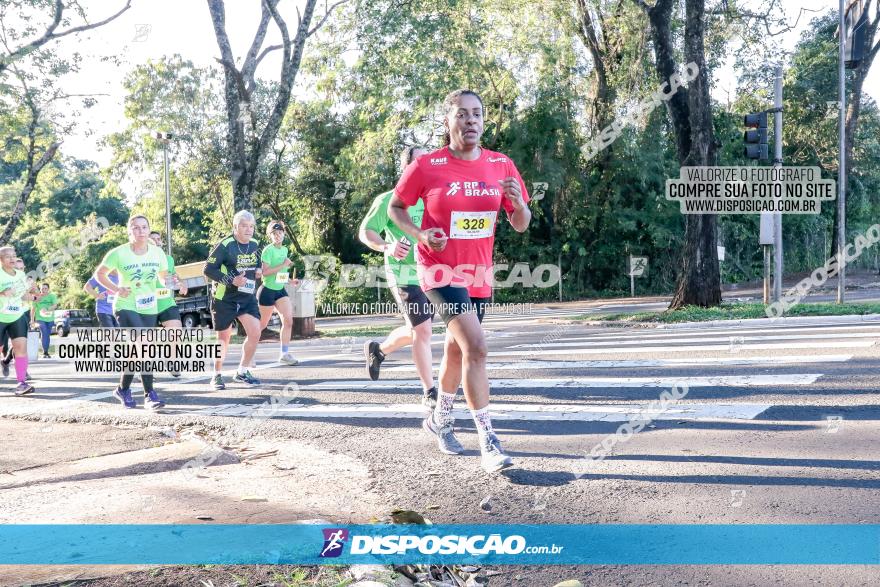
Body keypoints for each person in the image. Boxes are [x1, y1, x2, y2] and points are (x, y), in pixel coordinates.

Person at [388, 89, 531, 473]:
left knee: (457, 350)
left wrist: (518, 204)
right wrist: (420, 235)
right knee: (478, 348)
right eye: (463, 114)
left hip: (479, 272)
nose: (471, 121)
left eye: (477, 114)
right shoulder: (428, 165)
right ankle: (489, 438)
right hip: (438, 269)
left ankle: (440, 418)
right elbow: (396, 206)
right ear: (448, 121)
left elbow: (520, 225)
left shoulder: (501, 165)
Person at [359, 145, 437, 410]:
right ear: (406, 168)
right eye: (420, 161)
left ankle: (378, 350)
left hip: (433, 275)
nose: (426, 165)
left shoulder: (435, 199)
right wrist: (387, 247)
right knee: (423, 330)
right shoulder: (389, 199)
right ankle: (430, 391)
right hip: (404, 275)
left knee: (416, 330)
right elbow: (366, 231)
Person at [95, 215, 170, 411]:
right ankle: (150, 395)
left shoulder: (157, 253)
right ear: (129, 231)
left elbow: (162, 278)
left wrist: (172, 282)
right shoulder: (118, 253)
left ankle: (122, 388)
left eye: (144, 227)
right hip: (125, 304)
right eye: (136, 228)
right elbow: (100, 274)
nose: (141, 231)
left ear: (149, 229)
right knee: (144, 346)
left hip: (149, 305)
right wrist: (116, 288)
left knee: (138, 351)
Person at [204, 210, 263, 390]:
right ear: (235, 227)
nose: (248, 229)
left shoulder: (255, 244)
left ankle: (242, 371)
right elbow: (208, 270)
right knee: (224, 338)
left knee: (255, 332)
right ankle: (217, 374)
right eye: (244, 226)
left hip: (246, 297)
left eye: (251, 226)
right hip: (225, 298)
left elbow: (257, 262)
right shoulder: (225, 245)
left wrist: (259, 270)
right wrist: (232, 280)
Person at [257, 220, 299, 366]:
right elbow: (266, 273)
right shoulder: (268, 250)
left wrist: (289, 281)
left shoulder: (285, 250)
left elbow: (280, 274)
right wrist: (283, 264)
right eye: (274, 234)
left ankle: (284, 354)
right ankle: (249, 355)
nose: (277, 236)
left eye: (280, 233)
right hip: (267, 291)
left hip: (280, 290)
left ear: (284, 234)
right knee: (260, 326)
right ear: (270, 236)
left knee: (288, 321)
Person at [0, 247, 40, 395]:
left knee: (21, 350)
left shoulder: (21, 274)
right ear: (1, 260)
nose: (11, 259)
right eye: (7, 256)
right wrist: (2, 293)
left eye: (14, 256)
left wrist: (34, 296)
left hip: (16, 316)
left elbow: (22, 295)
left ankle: (21, 383)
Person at [149, 231, 188, 377]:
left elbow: (173, 275)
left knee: (176, 330)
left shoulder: (168, 259)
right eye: (153, 239)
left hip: (166, 302)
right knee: (146, 340)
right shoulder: (140, 259)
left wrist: (181, 283)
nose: (157, 242)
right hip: (147, 305)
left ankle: (171, 361)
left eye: (158, 239)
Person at [1, 258, 35, 378]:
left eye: (22, 268)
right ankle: (5, 362)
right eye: (18, 268)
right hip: (5, 314)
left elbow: (34, 294)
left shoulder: (26, 279)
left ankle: (19, 370)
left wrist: (34, 296)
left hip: (22, 313)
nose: (21, 270)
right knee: (4, 343)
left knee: (20, 344)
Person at [32, 283, 58, 359]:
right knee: (44, 332)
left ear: (48, 289)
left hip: (50, 318)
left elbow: (55, 305)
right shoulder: (37, 297)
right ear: (40, 289)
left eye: (45, 288)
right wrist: (32, 320)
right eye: (42, 289)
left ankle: (46, 351)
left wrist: (47, 309)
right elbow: (33, 309)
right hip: (40, 318)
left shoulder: (52, 296)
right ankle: (45, 352)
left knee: (47, 334)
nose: (44, 290)